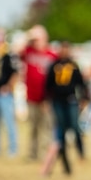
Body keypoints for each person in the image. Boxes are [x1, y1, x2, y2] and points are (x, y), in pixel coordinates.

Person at [43, 41, 90, 175]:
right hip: (57, 101)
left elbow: (81, 83)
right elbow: (48, 85)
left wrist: (84, 99)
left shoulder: (74, 66)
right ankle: (62, 154)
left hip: (71, 100)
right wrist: (46, 100)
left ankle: (81, 153)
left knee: (75, 127)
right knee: (61, 129)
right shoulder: (54, 65)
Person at [19, 25, 57, 160]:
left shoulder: (52, 55)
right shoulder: (28, 52)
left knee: (47, 127)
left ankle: (45, 154)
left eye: (37, 39)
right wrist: (28, 37)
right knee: (33, 127)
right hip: (32, 96)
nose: (35, 42)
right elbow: (17, 51)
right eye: (33, 40)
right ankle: (33, 154)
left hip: (46, 98)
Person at [0, 28, 19, 157]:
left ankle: (13, 148)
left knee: (8, 121)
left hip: (4, 94)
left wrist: (7, 87)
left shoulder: (9, 55)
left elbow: (15, 73)